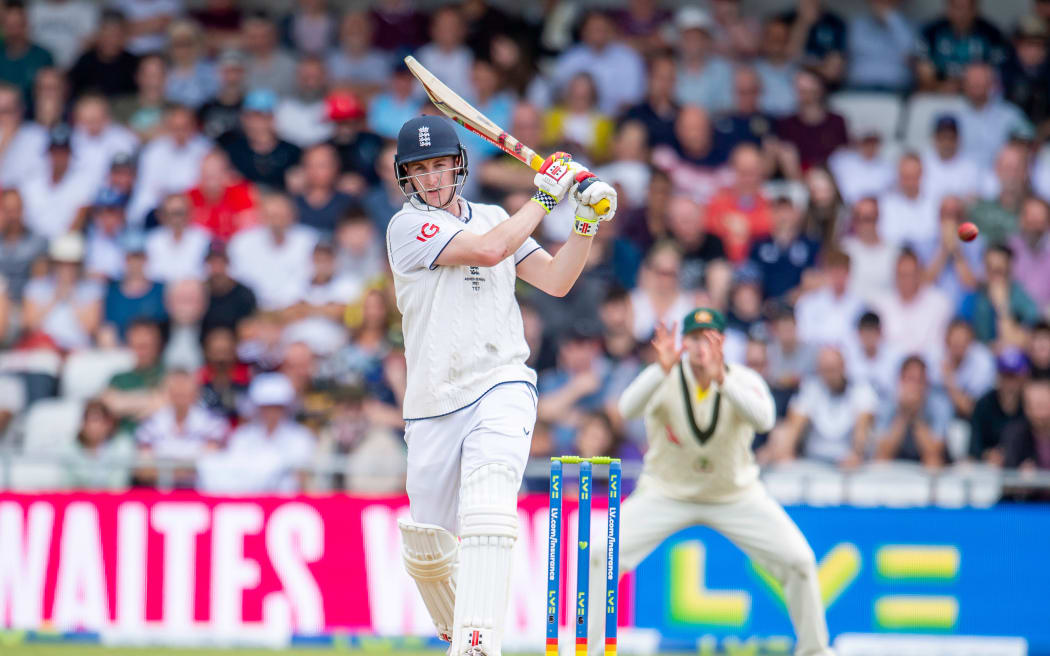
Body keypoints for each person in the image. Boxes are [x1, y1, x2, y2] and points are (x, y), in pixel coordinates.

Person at [386, 114, 616, 654]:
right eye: (421, 170)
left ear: (459, 166)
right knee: (428, 549)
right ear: (407, 177)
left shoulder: (493, 215)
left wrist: (583, 221)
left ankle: (478, 643)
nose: (433, 178)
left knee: (490, 500)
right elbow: (489, 250)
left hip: (502, 380)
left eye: (441, 165)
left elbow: (557, 281)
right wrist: (544, 196)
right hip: (432, 401)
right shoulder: (407, 227)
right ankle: (458, 633)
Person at [586, 311, 834, 656]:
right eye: (694, 338)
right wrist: (660, 370)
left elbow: (764, 420)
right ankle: (584, 650)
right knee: (601, 552)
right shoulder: (663, 375)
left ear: (722, 343)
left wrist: (723, 381)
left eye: (710, 338)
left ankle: (815, 651)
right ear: (683, 342)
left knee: (800, 561)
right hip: (666, 492)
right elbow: (627, 410)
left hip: (734, 494)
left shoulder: (743, 379)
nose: (701, 347)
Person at [771, 345, 877, 467]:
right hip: (813, 462)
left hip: (848, 464)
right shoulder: (810, 389)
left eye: (833, 369)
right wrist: (786, 454)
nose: (829, 376)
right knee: (780, 433)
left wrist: (856, 454)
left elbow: (862, 429)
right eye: (824, 370)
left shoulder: (861, 390)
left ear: (843, 367)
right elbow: (794, 425)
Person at [969, 347, 1028, 464]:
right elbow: (974, 447)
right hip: (988, 471)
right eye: (1006, 376)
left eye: (1014, 377)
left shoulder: (1029, 405)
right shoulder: (984, 404)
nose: (1010, 382)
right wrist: (987, 454)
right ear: (998, 376)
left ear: (1023, 378)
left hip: (1024, 472)